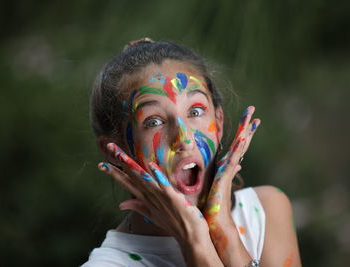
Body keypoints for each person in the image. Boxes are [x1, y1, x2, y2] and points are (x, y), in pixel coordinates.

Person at [81, 38, 301, 267]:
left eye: (195, 111)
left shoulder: (265, 211)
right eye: (154, 121)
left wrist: (224, 234)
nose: (184, 139)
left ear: (219, 121)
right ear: (115, 151)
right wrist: (195, 242)